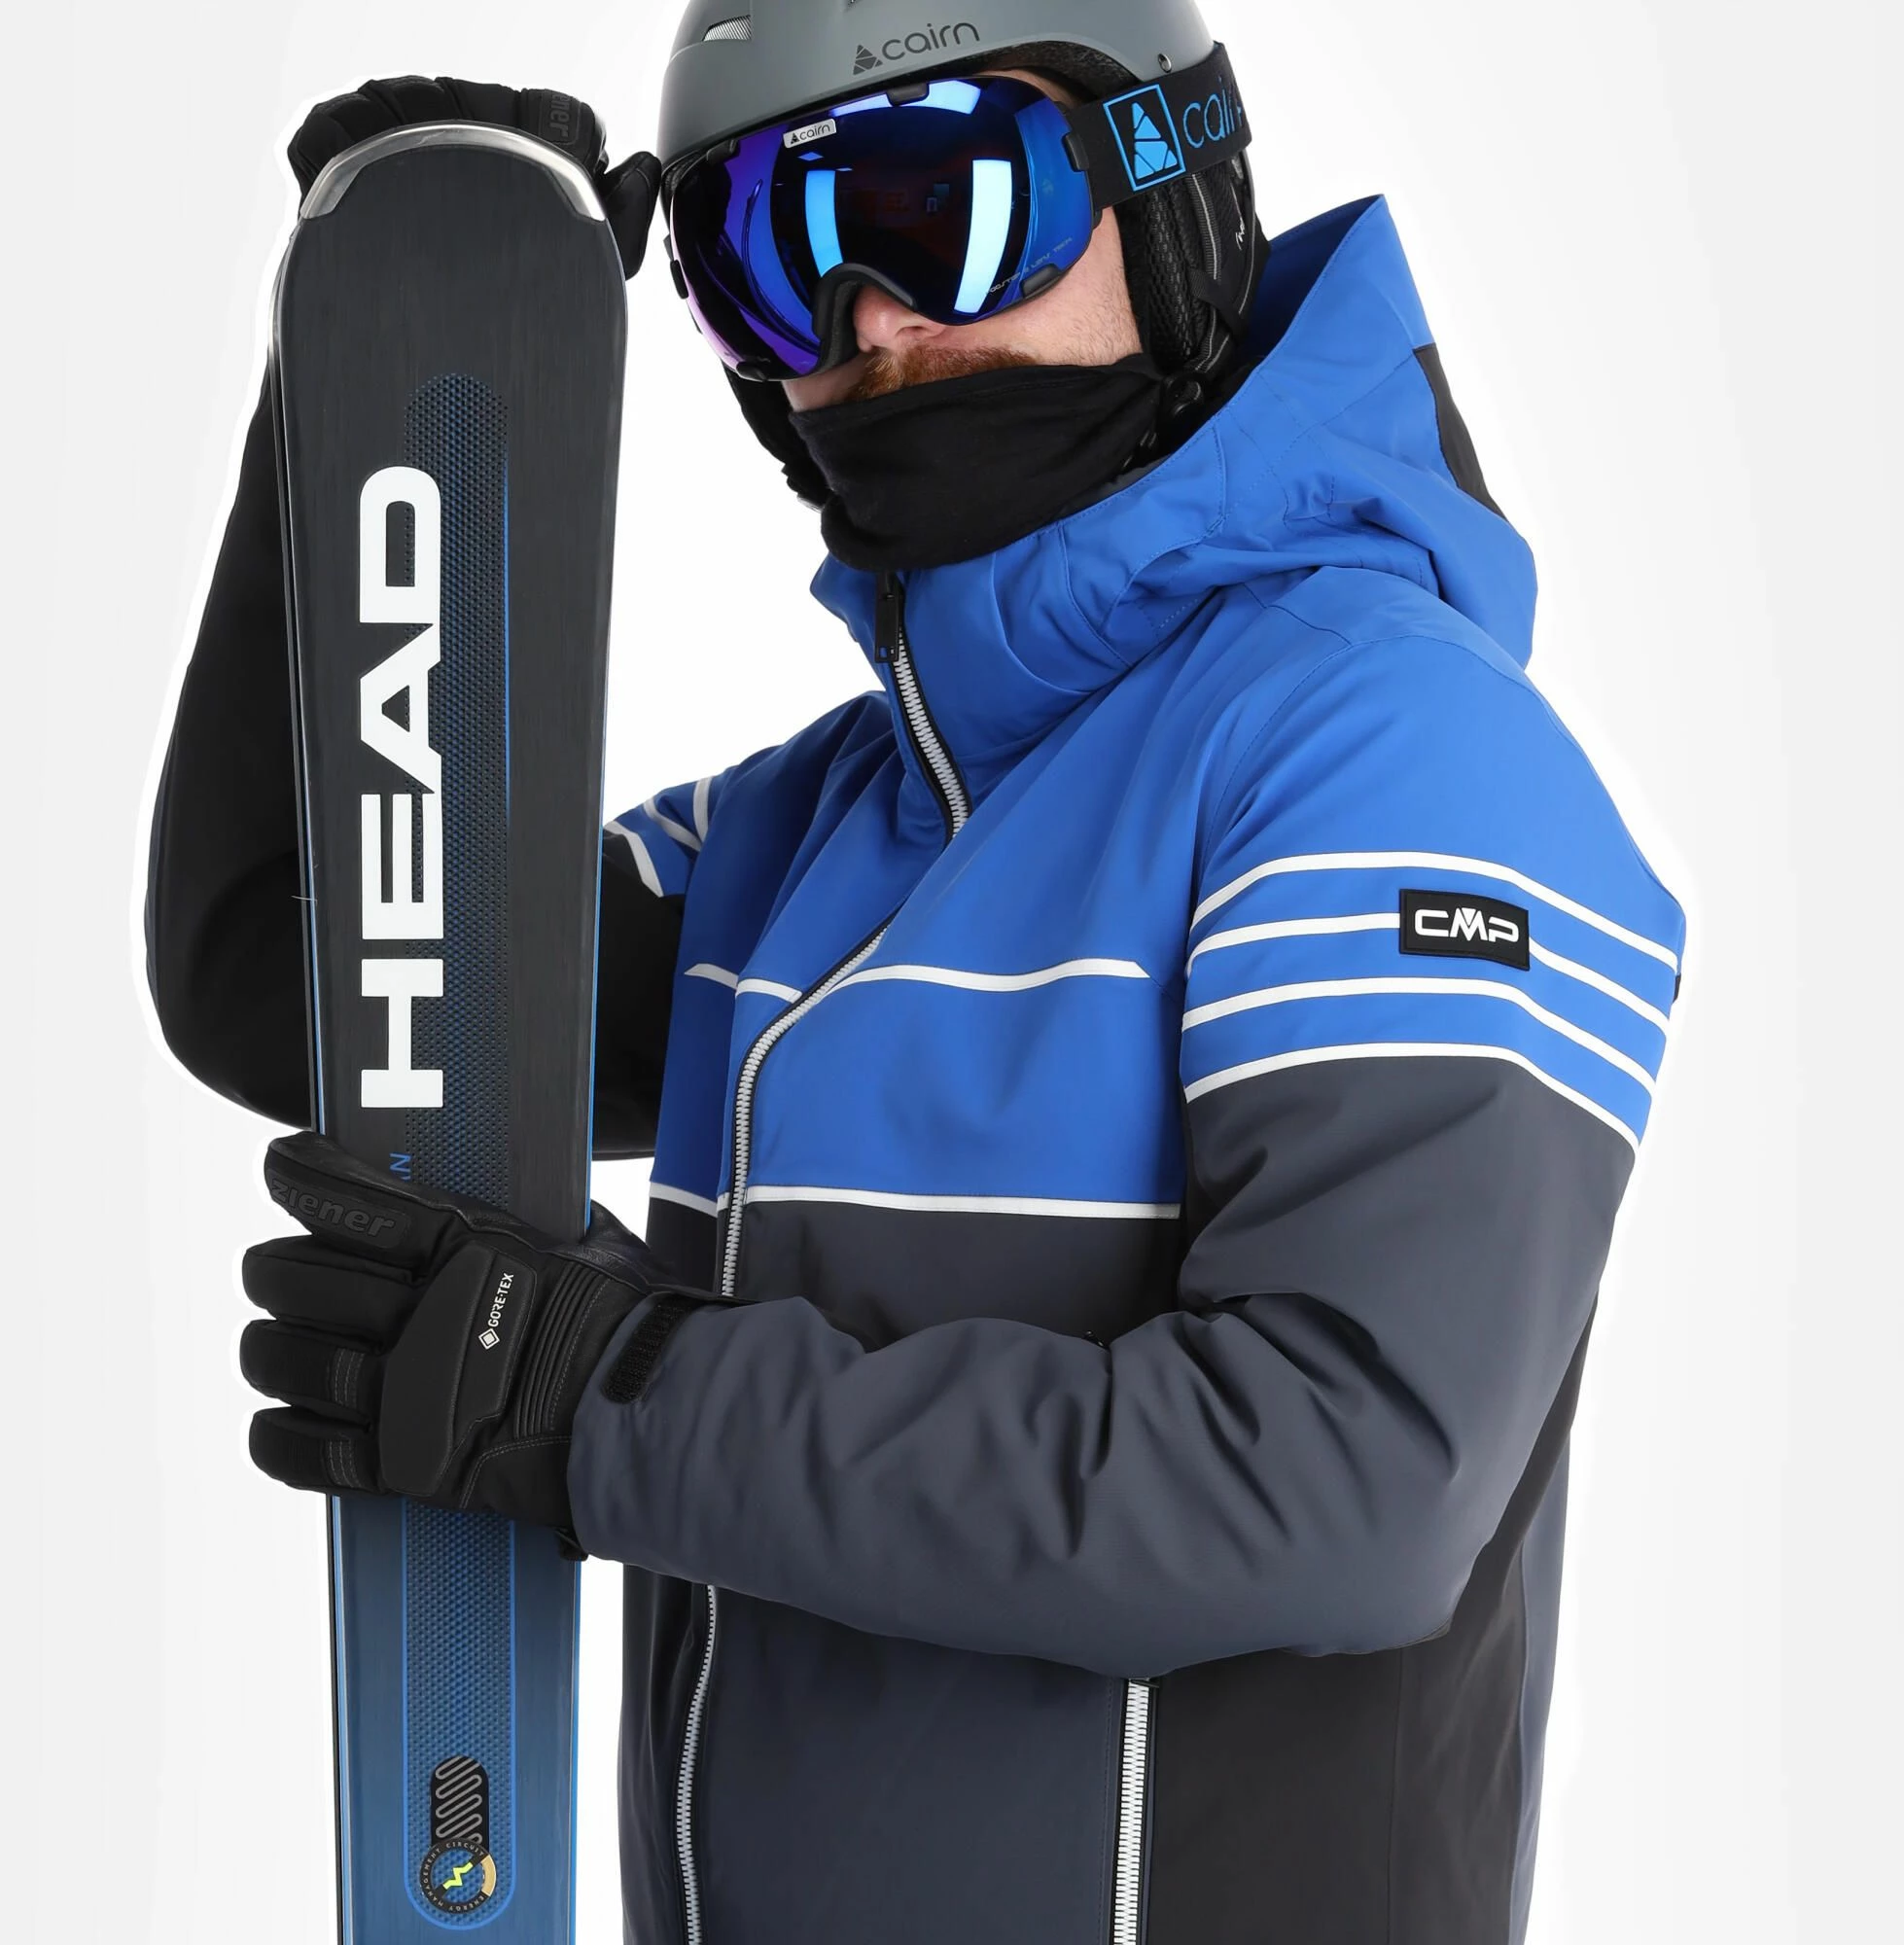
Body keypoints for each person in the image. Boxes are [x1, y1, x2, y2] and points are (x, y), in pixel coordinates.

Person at [146, 2, 1686, 1940]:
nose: (869, 318)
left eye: (940, 205)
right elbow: (292, 960)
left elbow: (1336, 1489)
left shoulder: (1389, 753)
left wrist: (608, 1389)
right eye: (768, 258)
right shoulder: (810, 840)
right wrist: (373, 359)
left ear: (1171, 192)